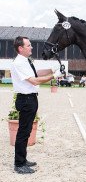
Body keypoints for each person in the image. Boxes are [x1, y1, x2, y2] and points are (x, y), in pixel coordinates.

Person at [10, 36, 64, 174]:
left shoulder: (25, 61)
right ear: (20, 48)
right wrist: (54, 76)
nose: (32, 47)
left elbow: (36, 73)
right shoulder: (19, 63)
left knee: (27, 131)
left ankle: (23, 159)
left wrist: (52, 69)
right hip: (26, 99)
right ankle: (19, 164)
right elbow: (34, 81)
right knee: (23, 132)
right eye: (28, 45)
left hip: (30, 99)